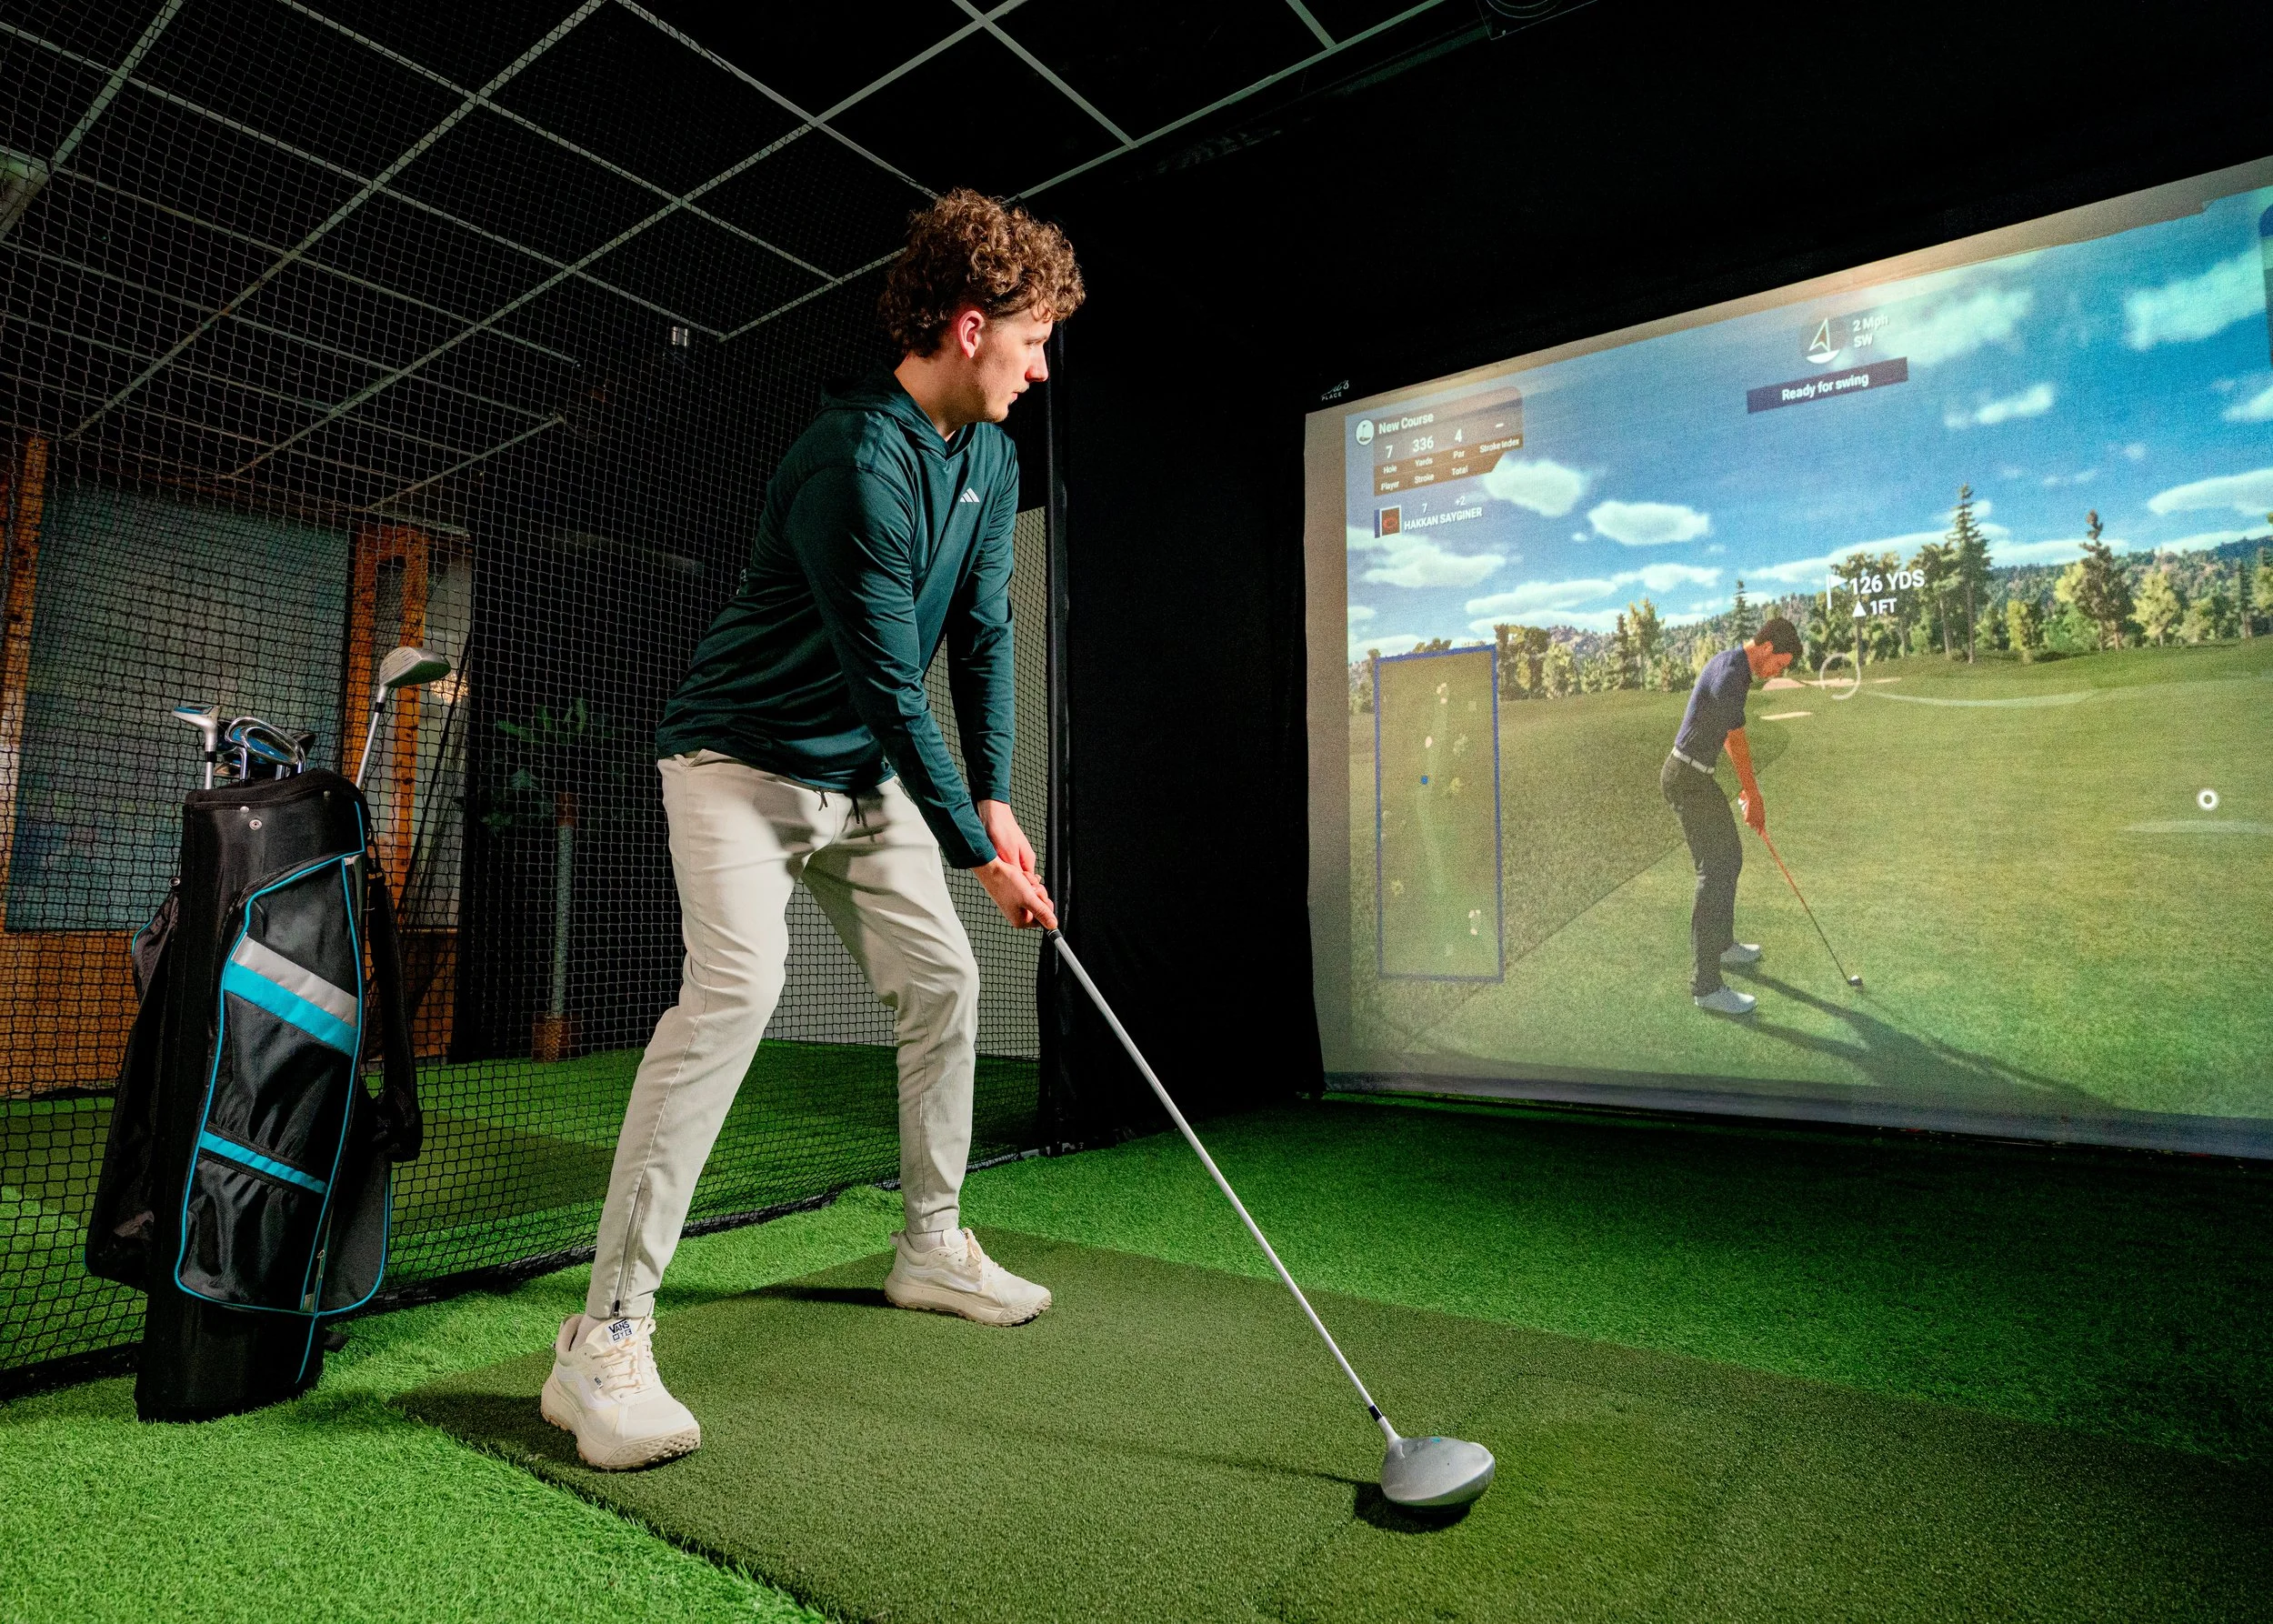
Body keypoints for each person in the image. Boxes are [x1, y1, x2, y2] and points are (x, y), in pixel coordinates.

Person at [540, 191, 1082, 1470]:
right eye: (1033, 338)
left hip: (858, 778)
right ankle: (601, 1337)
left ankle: (930, 1243)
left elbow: (987, 633)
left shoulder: (990, 455)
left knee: (944, 979)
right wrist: (977, 851)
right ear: (968, 325)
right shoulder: (855, 459)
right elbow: (897, 684)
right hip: (736, 763)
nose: (1042, 363)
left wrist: (996, 799)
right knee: (738, 989)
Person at [1660, 617, 1802, 1017]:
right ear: (1769, 648)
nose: (1779, 673)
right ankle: (1705, 987)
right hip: (1685, 778)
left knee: (1730, 859)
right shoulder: (1734, 675)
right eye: (1782, 664)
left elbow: (1723, 734)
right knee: (1714, 870)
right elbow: (1735, 739)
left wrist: (1744, 790)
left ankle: (1722, 946)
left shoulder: (1730, 664)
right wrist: (1753, 794)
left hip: (1695, 775)